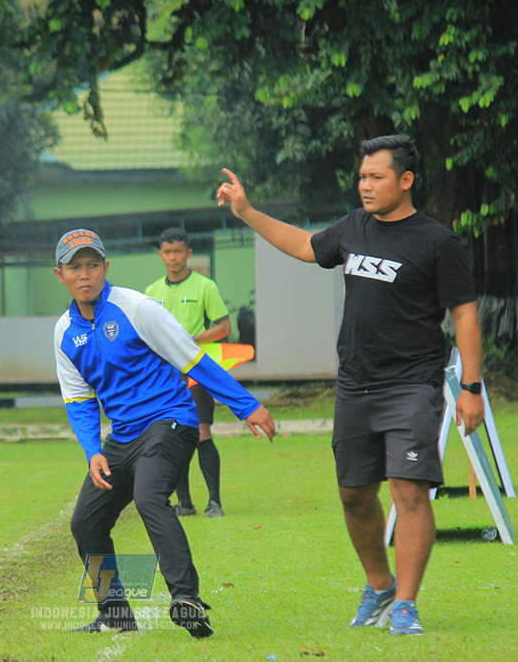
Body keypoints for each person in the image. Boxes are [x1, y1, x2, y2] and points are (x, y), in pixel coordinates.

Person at [216, 135, 484, 636]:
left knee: (409, 490)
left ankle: (405, 604)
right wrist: (247, 211)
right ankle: (379, 586)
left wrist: (471, 386)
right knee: (353, 495)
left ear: (405, 181)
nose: (365, 185)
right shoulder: (353, 228)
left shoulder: (437, 242)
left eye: (376, 177)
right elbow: (302, 245)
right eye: (362, 176)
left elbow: (465, 314)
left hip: (412, 384)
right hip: (356, 385)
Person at [52, 228, 276, 638]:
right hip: (121, 438)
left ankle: (186, 598)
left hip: (170, 421)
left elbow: (194, 361)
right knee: (85, 522)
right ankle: (115, 613)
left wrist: (247, 406)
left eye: (92, 265)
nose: (84, 274)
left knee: (148, 497)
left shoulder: (138, 308)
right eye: (74, 267)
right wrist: (92, 451)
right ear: (60, 275)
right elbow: (79, 401)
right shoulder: (64, 332)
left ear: (105, 268)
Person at [144, 228, 231, 518]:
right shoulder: (151, 293)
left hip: (196, 371)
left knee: (202, 433)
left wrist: (194, 341)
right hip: (165, 376)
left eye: (178, 251)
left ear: (188, 254)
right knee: (173, 435)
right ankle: (185, 503)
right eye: (167, 252)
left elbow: (224, 327)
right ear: (160, 255)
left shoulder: (206, 287)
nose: (172, 257)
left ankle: (214, 502)